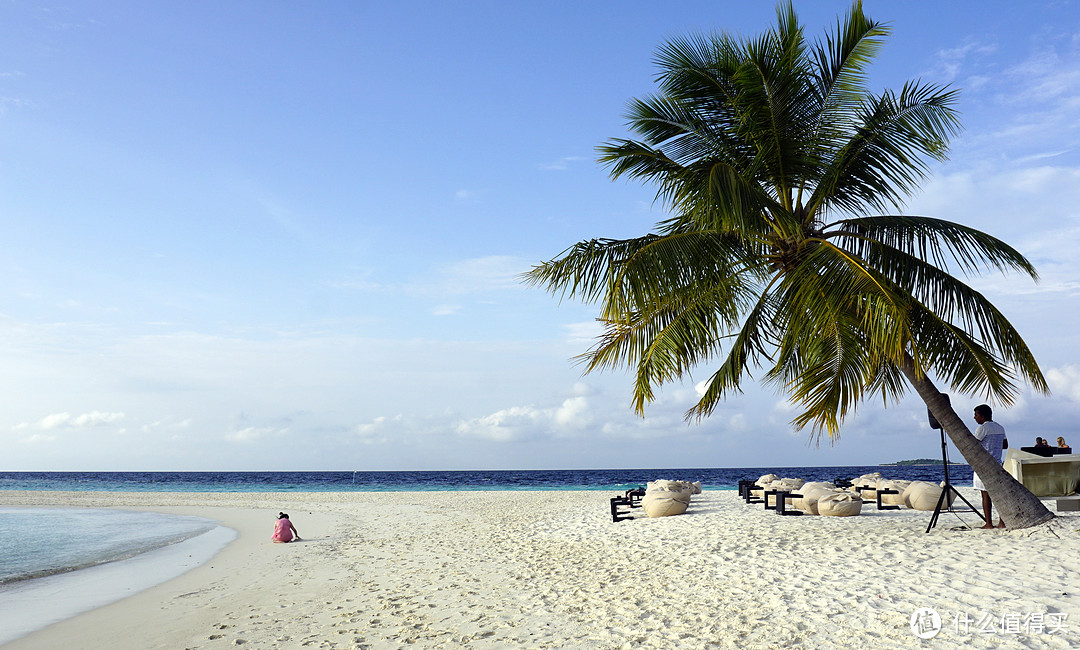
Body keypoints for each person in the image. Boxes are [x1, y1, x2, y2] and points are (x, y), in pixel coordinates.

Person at [972, 404, 1006, 529]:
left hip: (984, 465)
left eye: (976, 415)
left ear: (982, 416)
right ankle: (1002, 522)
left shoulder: (982, 429)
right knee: (999, 495)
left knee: (985, 495)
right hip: (997, 463)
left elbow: (973, 444)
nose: (974, 418)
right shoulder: (1000, 427)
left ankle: (989, 523)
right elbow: (1005, 445)